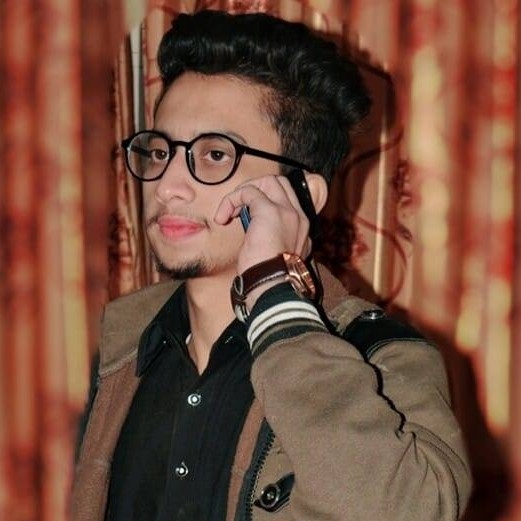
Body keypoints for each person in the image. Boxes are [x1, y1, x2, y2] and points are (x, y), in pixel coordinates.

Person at [71, 9, 471, 521]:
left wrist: (274, 295)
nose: (167, 186)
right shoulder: (118, 344)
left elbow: (411, 511)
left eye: (215, 155)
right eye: (161, 151)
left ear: (302, 194)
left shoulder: (381, 356)